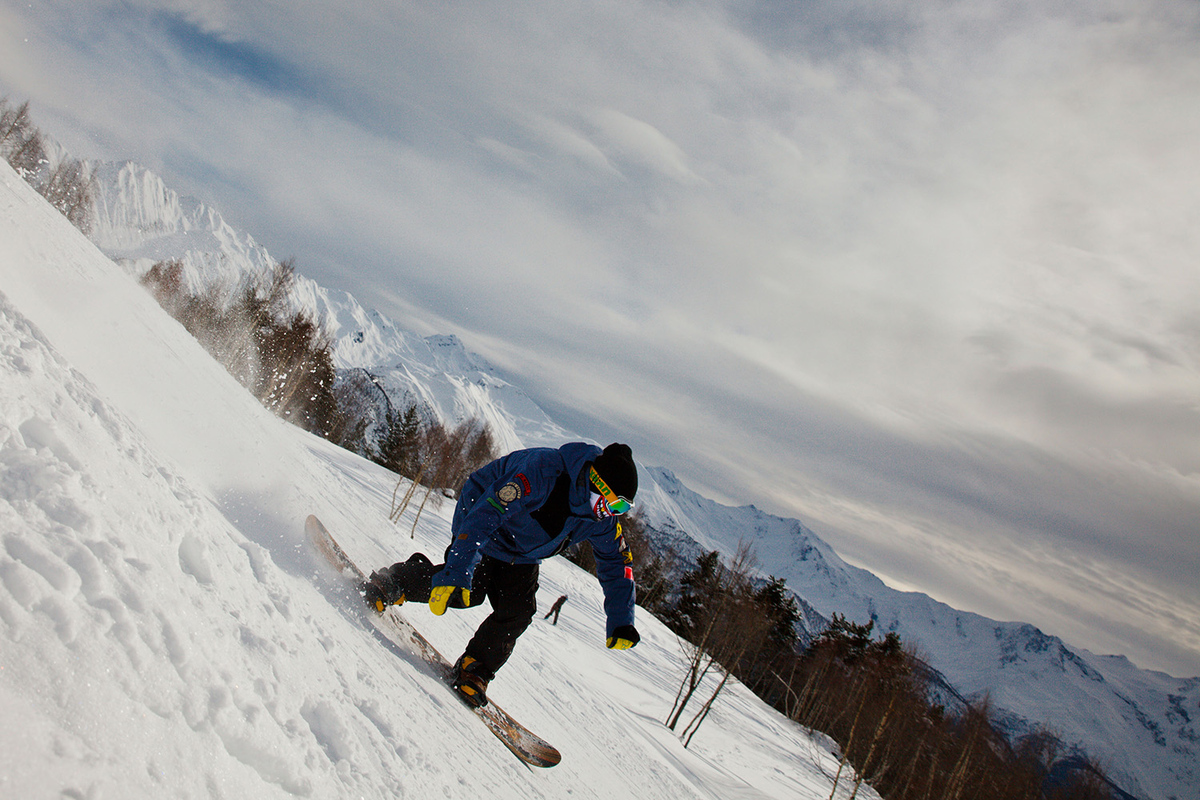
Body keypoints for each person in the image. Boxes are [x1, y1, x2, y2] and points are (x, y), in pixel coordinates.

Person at [362, 442, 641, 708]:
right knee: (465, 590)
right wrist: (458, 570)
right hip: (484, 517)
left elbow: (618, 561)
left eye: (622, 510)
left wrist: (621, 620)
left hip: (522, 552)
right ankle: (395, 582)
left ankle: (475, 669)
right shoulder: (543, 472)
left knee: (518, 610)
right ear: (595, 482)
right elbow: (488, 513)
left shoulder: (600, 519)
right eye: (614, 504)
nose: (612, 514)